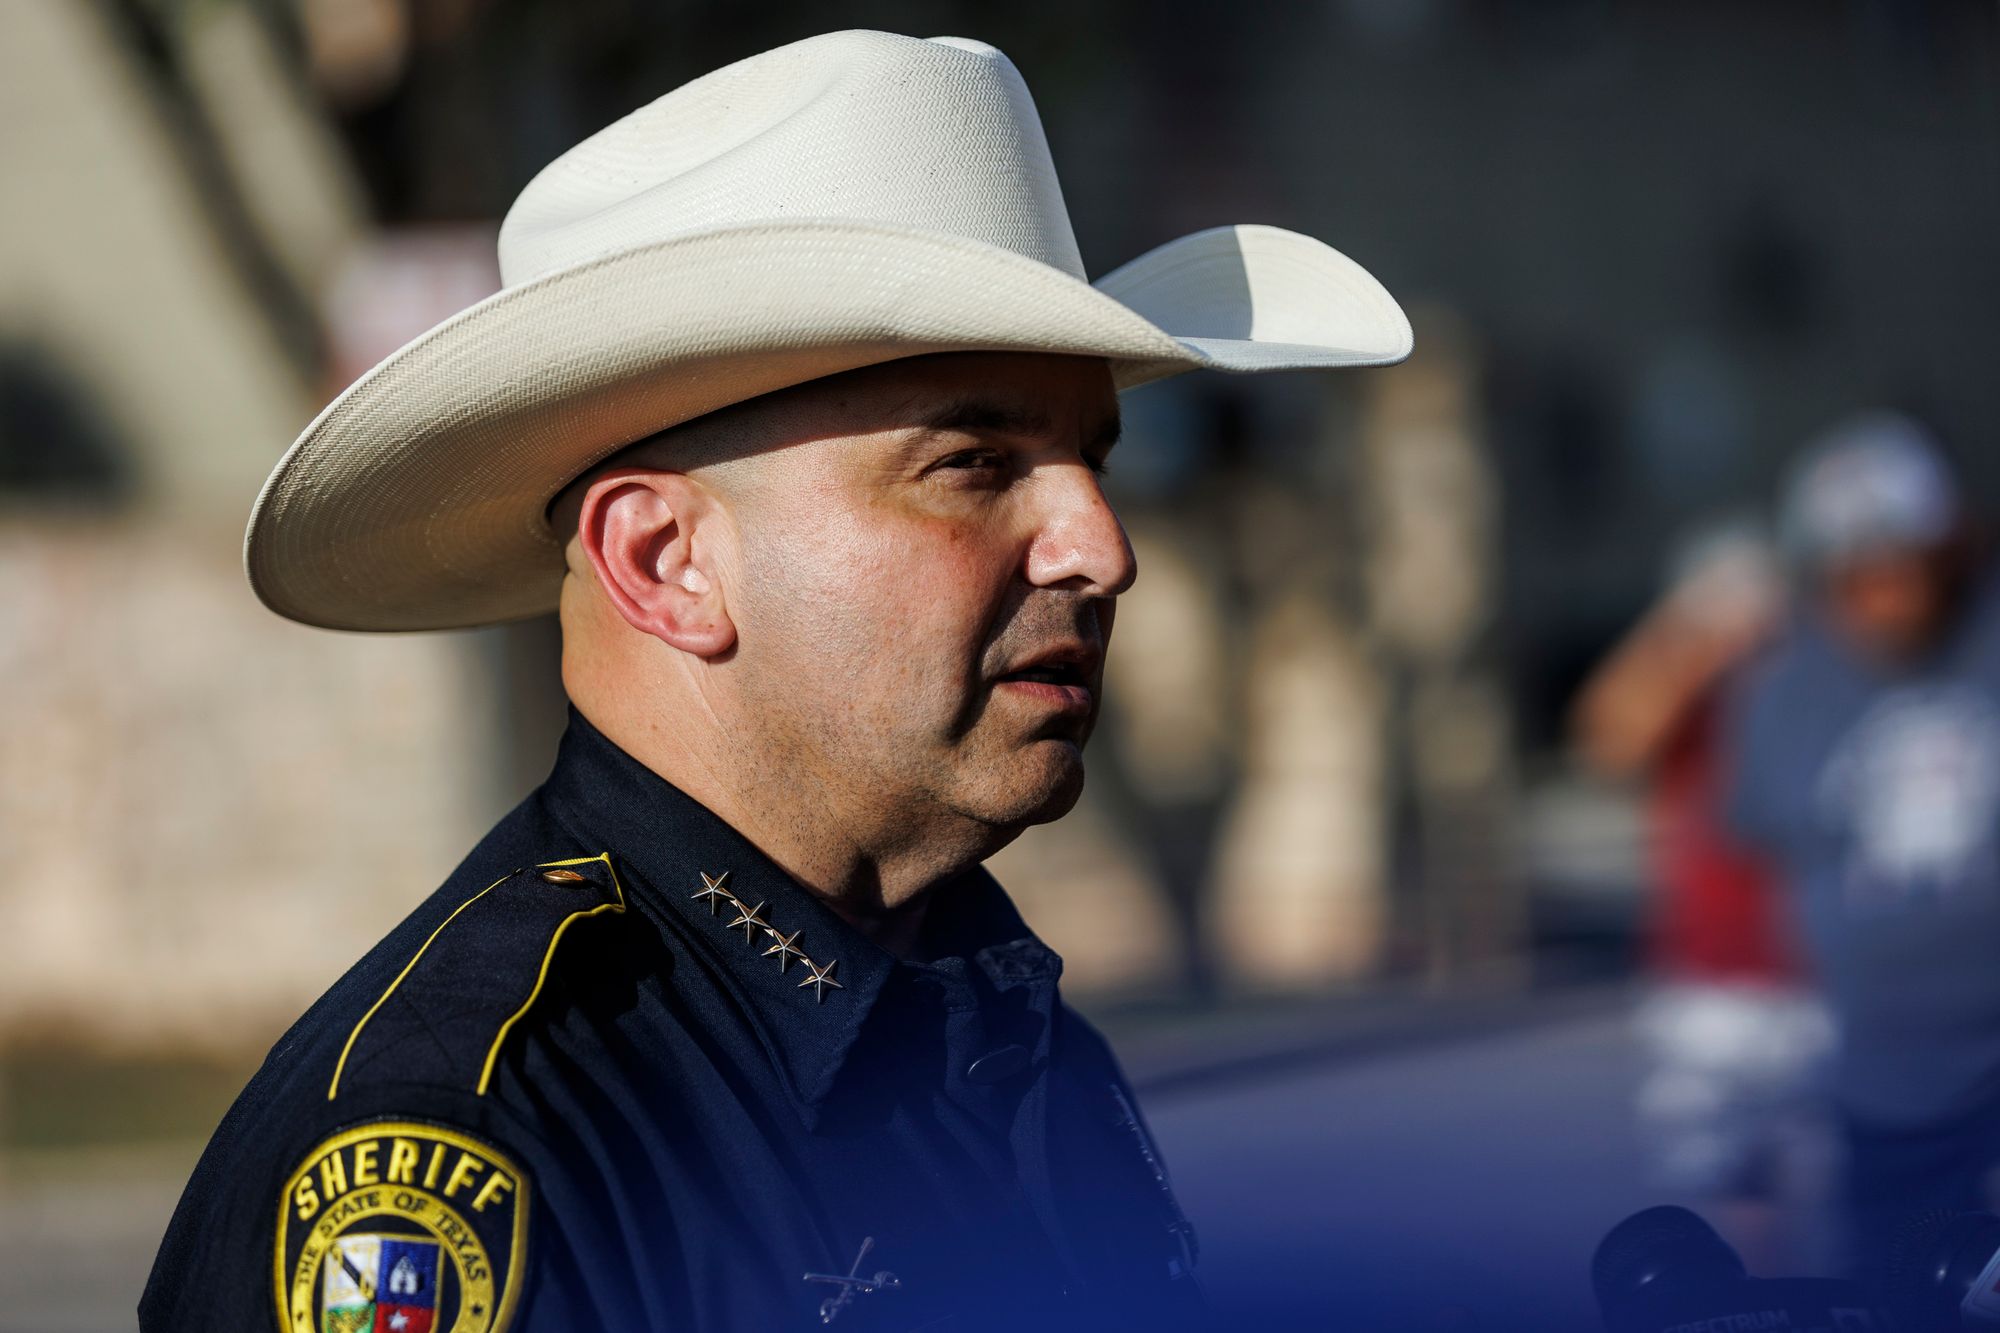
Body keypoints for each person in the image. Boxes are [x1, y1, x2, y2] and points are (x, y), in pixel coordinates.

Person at [138, 30, 1412, 1333]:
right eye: (973, 463)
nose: (1101, 547)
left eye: (1092, 457)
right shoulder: (471, 1135)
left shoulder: (998, 1028)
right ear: (665, 559)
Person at [1726, 413, 1998, 1277]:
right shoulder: (1784, 689)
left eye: (1898, 562)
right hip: (1880, 1090)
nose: (1879, 590)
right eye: (1852, 571)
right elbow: (1778, 872)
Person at [1574, 521, 1829, 1273]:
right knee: (1727, 1192)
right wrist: (1689, 637)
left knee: (1848, 1192)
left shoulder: (1818, 679)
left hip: (1821, 975)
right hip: (1707, 984)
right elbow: (1608, 735)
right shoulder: (1685, 691)